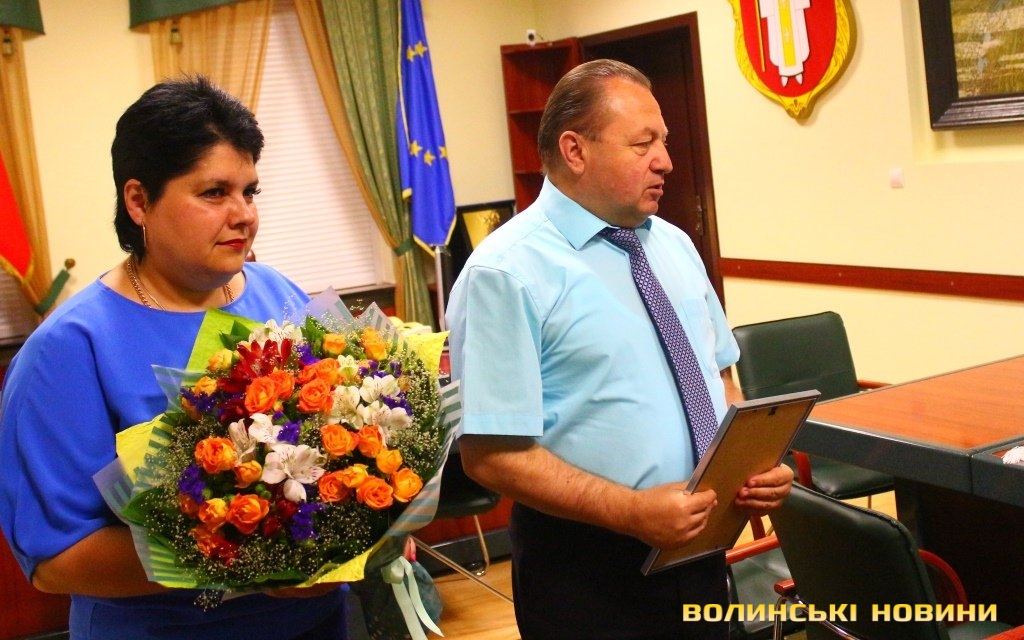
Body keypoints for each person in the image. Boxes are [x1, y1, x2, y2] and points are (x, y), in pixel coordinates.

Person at [445, 59, 794, 639]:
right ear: (575, 151)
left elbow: (721, 378)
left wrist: (751, 465)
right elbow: (490, 455)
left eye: (664, 141)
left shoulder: (673, 245)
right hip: (588, 571)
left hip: (702, 549)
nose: (666, 161)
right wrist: (631, 511)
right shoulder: (505, 274)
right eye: (642, 143)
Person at [0, 77, 347, 639]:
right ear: (139, 201)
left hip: (317, 622)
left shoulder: (279, 292)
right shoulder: (68, 349)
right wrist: (250, 561)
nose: (243, 214)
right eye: (214, 193)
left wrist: (379, 519)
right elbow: (56, 558)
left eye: (250, 191)